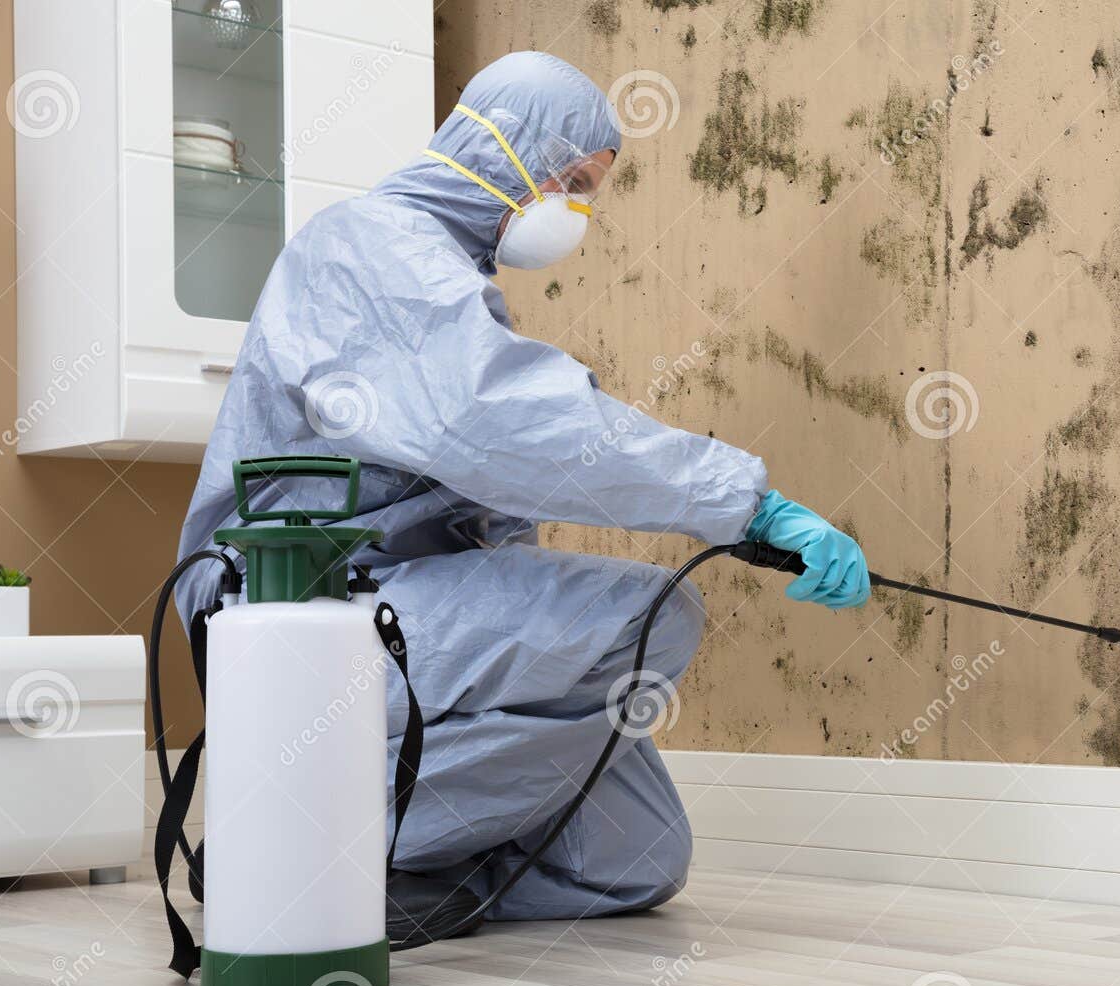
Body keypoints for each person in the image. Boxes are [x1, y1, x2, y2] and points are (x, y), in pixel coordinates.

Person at [176, 52, 869, 939]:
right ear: (499, 145)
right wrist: (743, 502)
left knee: (633, 857)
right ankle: (290, 849)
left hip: (399, 611)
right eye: (571, 179)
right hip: (300, 612)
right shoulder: (367, 246)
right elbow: (493, 421)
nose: (576, 209)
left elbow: (489, 499)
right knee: (653, 616)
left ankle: (414, 856)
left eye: (590, 191)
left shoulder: (450, 279)